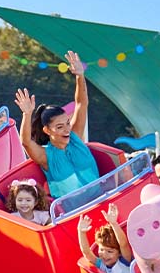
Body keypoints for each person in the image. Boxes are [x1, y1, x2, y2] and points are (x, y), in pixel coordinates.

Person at [14, 51, 98, 198]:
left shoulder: (75, 137)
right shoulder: (46, 156)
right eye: (59, 127)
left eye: (67, 123)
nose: (67, 130)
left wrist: (80, 76)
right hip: (74, 214)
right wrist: (27, 114)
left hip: (101, 201)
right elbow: (26, 142)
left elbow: (81, 104)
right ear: (47, 130)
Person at [78, 203, 134, 273]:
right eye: (101, 249)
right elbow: (86, 252)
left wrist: (113, 223)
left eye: (110, 251)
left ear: (119, 253)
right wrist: (81, 232)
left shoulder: (124, 260)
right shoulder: (101, 264)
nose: (104, 254)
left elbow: (123, 244)